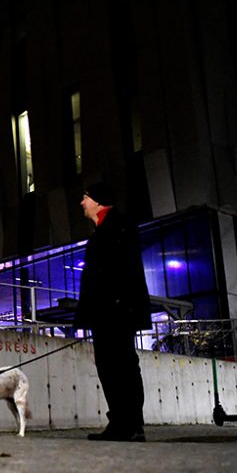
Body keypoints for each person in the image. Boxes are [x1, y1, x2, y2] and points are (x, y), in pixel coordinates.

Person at [75, 181, 151, 442]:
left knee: (121, 364)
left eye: (85, 198)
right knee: (112, 365)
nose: (82, 203)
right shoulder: (104, 228)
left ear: (97, 200)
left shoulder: (119, 225)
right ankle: (123, 423)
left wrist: (117, 303)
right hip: (108, 310)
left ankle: (128, 424)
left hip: (116, 310)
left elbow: (122, 269)